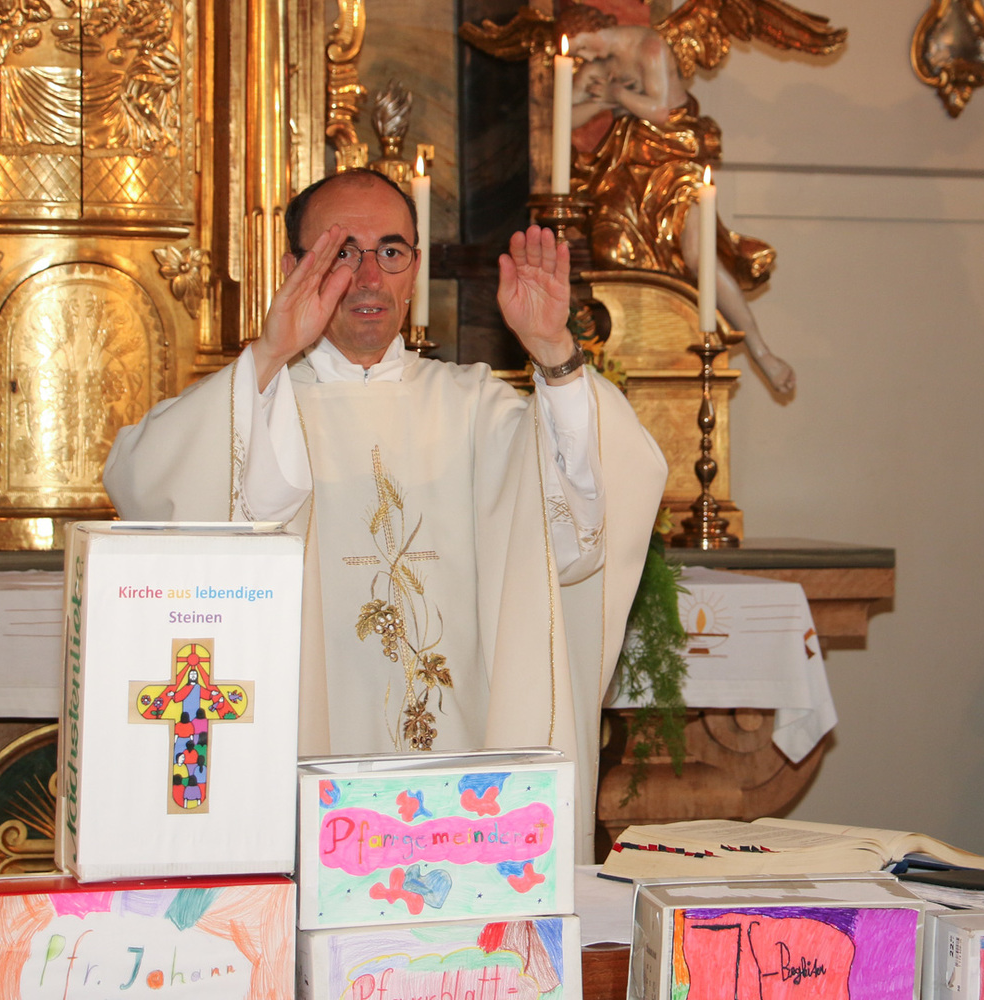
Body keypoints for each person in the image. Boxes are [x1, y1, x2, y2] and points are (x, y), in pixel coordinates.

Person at [104, 168, 667, 861]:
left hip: (467, 795)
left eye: (390, 251)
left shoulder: (474, 407)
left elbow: (582, 525)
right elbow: (145, 481)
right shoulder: (260, 405)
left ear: (415, 270)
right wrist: (271, 352)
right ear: (293, 268)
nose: (369, 276)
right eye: (342, 252)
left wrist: (554, 350)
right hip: (303, 775)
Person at [559, 5, 797, 395]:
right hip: (629, 163)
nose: (581, 58)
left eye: (581, 47)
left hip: (677, 159)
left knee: (699, 256)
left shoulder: (650, 47)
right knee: (611, 250)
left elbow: (662, 112)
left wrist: (616, 95)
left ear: (592, 32)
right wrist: (604, 103)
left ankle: (762, 352)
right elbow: (564, 115)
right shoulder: (598, 64)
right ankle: (637, 349)